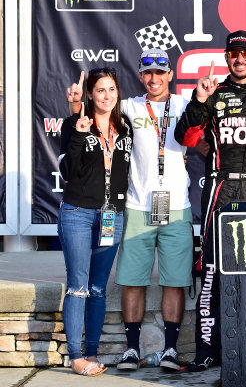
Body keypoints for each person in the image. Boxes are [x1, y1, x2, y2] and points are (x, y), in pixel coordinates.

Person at [67, 48, 193, 372]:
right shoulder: (128, 107)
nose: (154, 78)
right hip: (136, 206)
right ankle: (132, 349)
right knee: (132, 281)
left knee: (174, 282)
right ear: (140, 76)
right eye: (148, 72)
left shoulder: (184, 105)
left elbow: (200, 132)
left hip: (177, 206)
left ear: (170, 74)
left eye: (160, 72)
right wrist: (75, 105)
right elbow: (95, 112)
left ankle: (170, 350)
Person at [174, 30, 246, 371]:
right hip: (221, 187)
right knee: (211, 269)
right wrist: (199, 101)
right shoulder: (213, 93)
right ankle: (207, 349)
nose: (240, 59)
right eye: (234, 53)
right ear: (226, 57)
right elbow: (187, 138)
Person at [59, 67, 132, 376]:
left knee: (98, 289)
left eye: (111, 90)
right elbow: (68, 172)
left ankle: (92, 353)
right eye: (100, 90)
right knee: (77, 287)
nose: (107, 96)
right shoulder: (75, 123)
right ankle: (76, 357)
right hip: (77, 213)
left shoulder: (125, 126)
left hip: (112, 216)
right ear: (90, 94)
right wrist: (78, 133)